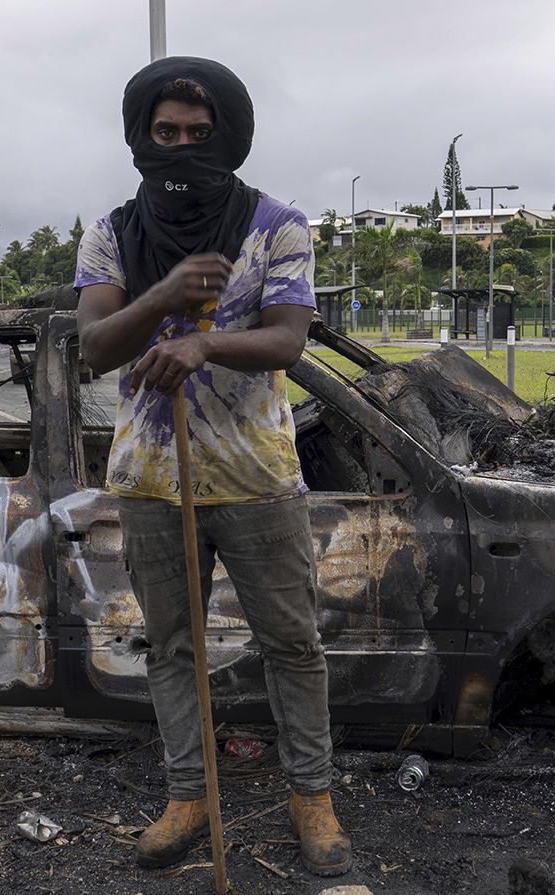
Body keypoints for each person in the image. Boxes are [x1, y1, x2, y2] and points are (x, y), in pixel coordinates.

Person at [72, 57, 352, 878]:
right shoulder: (112, 233)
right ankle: (189, 796)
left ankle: (313, 800)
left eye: (199, 133)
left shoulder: (277, 225)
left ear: (228, 135)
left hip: (259, 477)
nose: (182, 147)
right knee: (172, 647)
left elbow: (288, 340)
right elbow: (94, 345)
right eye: (166, 133)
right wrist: (163, 298)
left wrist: (204, 342)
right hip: (155, 481)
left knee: (293, 645)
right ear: (141, 137)